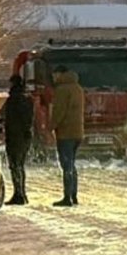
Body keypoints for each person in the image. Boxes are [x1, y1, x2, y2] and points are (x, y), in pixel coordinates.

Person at [49, 65, 85, 207]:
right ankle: (73, 195)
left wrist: (51, 126)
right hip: (78, 132)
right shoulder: (78, 88)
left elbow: (59, 111)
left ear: (60, 74)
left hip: (65, 132)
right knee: (71, 164)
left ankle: (67, 197)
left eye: (55, 75)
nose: (53, 78)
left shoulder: (62, 90)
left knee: (66, 165)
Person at [2, 75, 35, 206]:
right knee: (20, 165)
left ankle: (19, 194)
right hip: (25, 136)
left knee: (15, 165)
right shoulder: (27, 98)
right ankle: (22, 193)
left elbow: (8, 119)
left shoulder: (13, 100)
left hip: (15, 137)